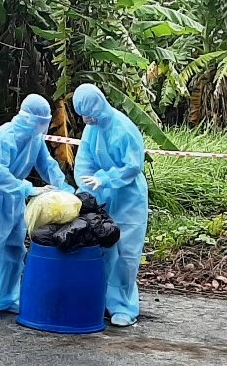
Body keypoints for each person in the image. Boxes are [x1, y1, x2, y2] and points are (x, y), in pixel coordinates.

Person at [0, 94, 74, 319]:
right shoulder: (0, 138)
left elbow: (47, 165)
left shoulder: (34, 140)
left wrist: (66, 190)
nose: (42, 128)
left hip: (14, 201)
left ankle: (7, 297)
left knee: (14, 250)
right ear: (28, 118)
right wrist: (27, 189)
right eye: (40, 122)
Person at [72, 84, 148, 327]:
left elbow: (133, 165)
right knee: (102, 248)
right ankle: (101, 301)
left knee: (126, 251)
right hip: (102, 196)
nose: (86, 119)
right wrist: (85, 190)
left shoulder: (123, 128)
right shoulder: (91, 129)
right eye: (82, 115)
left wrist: (106, 178)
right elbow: (84, 162)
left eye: (88, 113)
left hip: (128, 197)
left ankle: (123, 306)